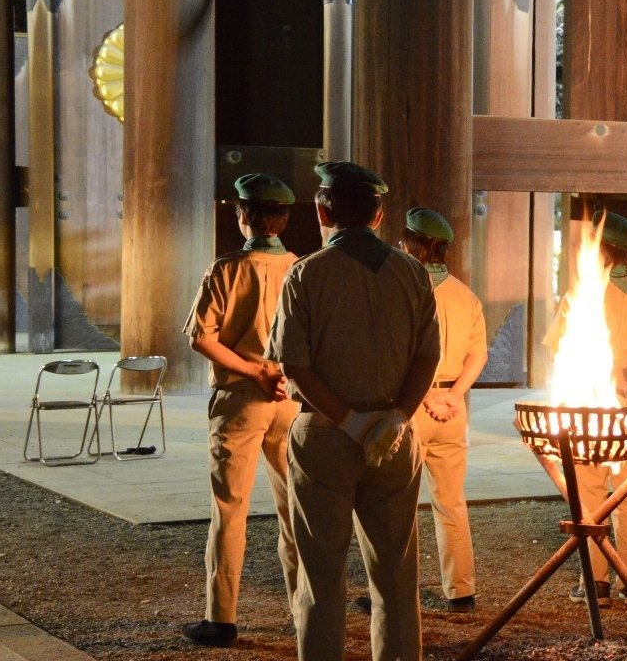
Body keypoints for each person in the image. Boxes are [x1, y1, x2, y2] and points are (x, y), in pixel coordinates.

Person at [268, 161, 440, 661]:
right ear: (380, 214)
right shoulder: (411, 272)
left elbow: (294, 365)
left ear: (323, 210)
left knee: (321, 575)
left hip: (324, 433)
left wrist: (350, 420)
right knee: (395, 574)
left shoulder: (306, 274)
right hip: (395, 434)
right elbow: (429, 355)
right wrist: (396, 417)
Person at [181, 173, 301, 648]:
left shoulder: (225, 269)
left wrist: (255, 372)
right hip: (290, 399)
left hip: (241, 399)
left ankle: (222, 616)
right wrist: (281, 375)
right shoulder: (301, 268)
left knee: (229, 508)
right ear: (284, 218)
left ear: (243, 215)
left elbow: (200, 337)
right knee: (296, 509)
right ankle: (304, 607)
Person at [543, 210, 627, 607]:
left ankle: (596, 584)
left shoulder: (581, 293)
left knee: (589, 494)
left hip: (589, 403)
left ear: (599, 252)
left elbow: (558, 348)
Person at [398, 206, 488, 613]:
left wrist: (427, 397)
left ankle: (396, 590)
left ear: (411, 245)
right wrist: (454, 395)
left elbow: (398, 357)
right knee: (451, 501)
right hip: (454, 409)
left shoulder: (402, 290)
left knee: (397, 501)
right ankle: (461, 591)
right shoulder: (465, 294)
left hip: (412, 405)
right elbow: (479, 355)